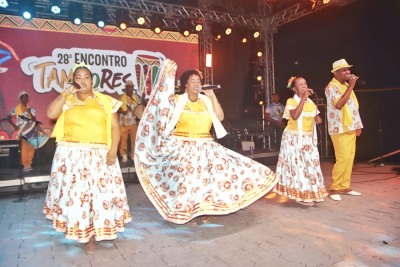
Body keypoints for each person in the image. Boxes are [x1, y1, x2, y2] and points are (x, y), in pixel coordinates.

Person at [134, 59, 278, 225]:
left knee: (205, 181)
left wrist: (211, 95)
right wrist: (167, 73)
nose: (196, 84)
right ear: (185, 85)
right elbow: (161, 102)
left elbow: (220, 117)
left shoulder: (206, 100)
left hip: (206, 146)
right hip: (184, 145)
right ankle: (185, 213)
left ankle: (202, 210)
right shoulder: (177, 99)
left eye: (198, 81)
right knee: (188, 181)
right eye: (192, 81)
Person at [43, 63, 132, 254]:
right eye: (78, 78)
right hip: (71, 155)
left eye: (87, 77)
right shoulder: (68, 100)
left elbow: (115, 127)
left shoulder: (106, 101)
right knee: (78, 197)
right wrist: (65, 93)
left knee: (98, 197)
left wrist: (112, 150)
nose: (83, 81)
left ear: (93, 80)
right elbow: (51, 113)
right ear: (73, 81)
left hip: (98, 154)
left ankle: (94, 233)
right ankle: (85, 235)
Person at [273, 76, 327, 205]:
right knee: (299, 167)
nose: (304, 86)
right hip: (294, 138)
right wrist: (303, 98)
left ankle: (312, 192)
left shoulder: (310, 102)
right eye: (300, 84)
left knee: (311, 165)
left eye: (305, 83)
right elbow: (295, 116)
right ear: (294, 89)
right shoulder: (292, 101)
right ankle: (301, 195)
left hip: (308, 138)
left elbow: (317, 116)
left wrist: (317, 118)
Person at [325, 59, 363, 201]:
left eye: (348, 69)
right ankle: (335, 188)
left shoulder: (346, 85)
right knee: (343, 158)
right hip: (339, 128)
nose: (348, 72)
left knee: (350, 158)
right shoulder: (331, 87)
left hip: (350, 126)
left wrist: (357, 125)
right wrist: (352, 86)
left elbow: (353, 107)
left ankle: (344, 186)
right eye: (344, 70)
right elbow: (340, 104)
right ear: (336, 73)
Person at [7, 91, 36, 173]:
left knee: (31, 146)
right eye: (23, 97)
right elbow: (8, 117)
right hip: (23, 130)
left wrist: (29, 111)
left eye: (26, 97)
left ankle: (29, 163)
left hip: (31, 129)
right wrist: (14, 126)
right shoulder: (16, 109)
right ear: (20, 99)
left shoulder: (31, 108)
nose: (25, 99)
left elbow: (34, 119)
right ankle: (25, 164)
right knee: (24, 147)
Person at [118, 80, 142, 164]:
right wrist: (122, 111)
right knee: (123, 139)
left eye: (131, 87)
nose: (130, 89)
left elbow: (140, 107)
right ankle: (124, 156)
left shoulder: (136, 97)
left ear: (133, 88)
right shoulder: (121, 97)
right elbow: (117, 108)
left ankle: (133, 156)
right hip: (123, 122)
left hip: (133, 122)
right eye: (128, 87)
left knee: (134, 140)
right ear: (126, 88)